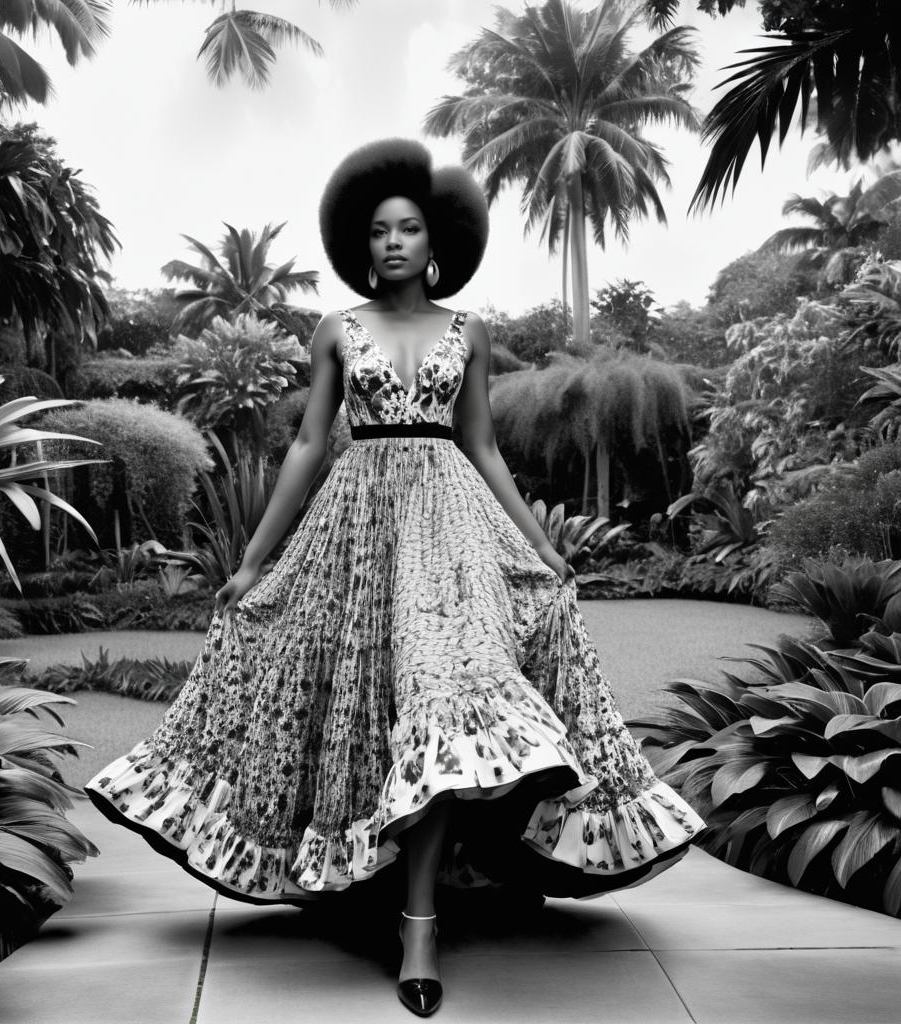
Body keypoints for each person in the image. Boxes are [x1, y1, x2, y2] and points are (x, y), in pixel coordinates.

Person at [83, 138, 708, 1018]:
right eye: (377, 231)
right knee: (373, 712)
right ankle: (394, 898)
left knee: (443, 699)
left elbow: (484, 448)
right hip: (359, 528)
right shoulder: (336, 329)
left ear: (435, 237)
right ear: (359, 242)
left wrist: (541, 547)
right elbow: (308, 444)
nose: (393, 243)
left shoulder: (472, 332)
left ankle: (420, 928)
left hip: (454, 532)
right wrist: (254, 561)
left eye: (409, 228)